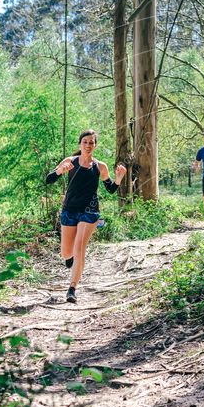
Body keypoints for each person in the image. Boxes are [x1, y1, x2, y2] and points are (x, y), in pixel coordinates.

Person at [46, 129, 126, 303]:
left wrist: (118, 178)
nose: (88, 145)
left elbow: (111, 189)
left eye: (92, 142)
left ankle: (72, 289)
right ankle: (71, 260)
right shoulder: (70, 161)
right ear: (80, 144)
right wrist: (60, 171)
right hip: (69, 210)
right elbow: (48, 179)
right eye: (85, 142)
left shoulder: (100, 166)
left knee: (80, 247)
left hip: (90, 211)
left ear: (95, 145)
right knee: (66, 253)